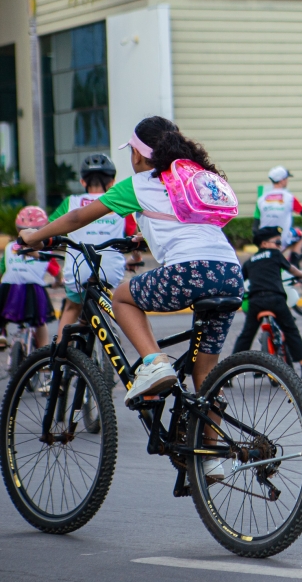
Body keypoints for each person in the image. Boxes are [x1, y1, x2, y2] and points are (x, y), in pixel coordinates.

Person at [18, 116, 244, 423]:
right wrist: (143, 236)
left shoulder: (140, 183)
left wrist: (34, 236)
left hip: (191, 271)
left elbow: (78, 218)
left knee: (122, 297)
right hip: (230, 272)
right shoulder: (191, 178)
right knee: (205, 375)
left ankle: (154, 363)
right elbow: (186, 224)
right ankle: (210, 451)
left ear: (137, 154)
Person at [51, 153, 141, 343]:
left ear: (83, 181)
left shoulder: (71, 202)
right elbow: (132, 238)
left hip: (77, 272)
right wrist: (135, 258)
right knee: (106, 300)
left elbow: (49, 229)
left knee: (72, 307)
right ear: (112, 182)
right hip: (110, 271)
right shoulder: (118, 201)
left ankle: (59, 352)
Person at [233, 226, 302, 379]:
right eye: (277, 242)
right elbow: (292, 269)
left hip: (256, 302)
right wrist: (301, 275)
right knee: (291, 330)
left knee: (246, 335)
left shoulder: (250, 261)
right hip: (275, 299)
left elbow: (240, 281)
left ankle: (229, 373)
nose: (279, 246)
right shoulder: (275, 254)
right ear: (264, 244)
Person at [1, 207, 60, 350]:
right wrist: (59, 282)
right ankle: (43, 350)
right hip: (33, 290)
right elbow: (56, 271)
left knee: (1, 311)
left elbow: (2, 268)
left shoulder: (10, 247)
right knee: (39, 322)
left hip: (9, 289)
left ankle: (1, 334)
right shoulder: (46, 251)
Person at [255, 166, 302, 265]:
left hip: (264, 242)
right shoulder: (289, 198)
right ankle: (293, 267)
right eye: (286, 178)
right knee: (300, 234)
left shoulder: (261, 199)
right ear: (282, 180)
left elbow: (255, 224)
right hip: (281, 240)